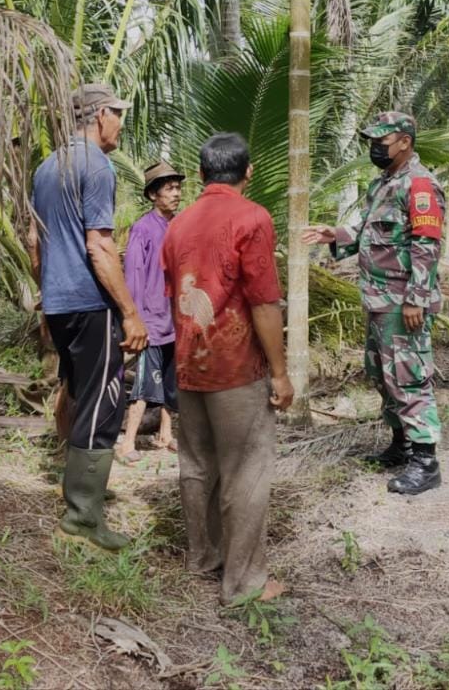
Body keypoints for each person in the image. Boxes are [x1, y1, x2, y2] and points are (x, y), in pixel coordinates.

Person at [161, 133, 293, 604]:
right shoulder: (252, 217)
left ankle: (203, 557)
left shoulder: (178, 224)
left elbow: (171, 291)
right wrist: (279, 372)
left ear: (200, 174)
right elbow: (263, 302)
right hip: (236, 367)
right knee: (247, 470)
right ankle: (243, 583)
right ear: (249, 172)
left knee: (197, 466)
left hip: (188, 363)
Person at [29, 83, 148, 550]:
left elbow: (35, 242)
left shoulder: (46, 167)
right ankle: (82, 517)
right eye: (118, 114)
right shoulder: (96, 165)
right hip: (89, 303)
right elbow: (99, 245)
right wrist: (131, 312)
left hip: (59, 302)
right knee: (104, 403)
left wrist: (46, 295)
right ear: (101, 115)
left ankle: (81, 495)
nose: (121, 123)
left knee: (80, 393)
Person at [302, 111, 444, 496]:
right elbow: (367, 231)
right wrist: (333, 234)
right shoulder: (383, 184)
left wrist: (416, 299)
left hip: (403, 303)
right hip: (379, 299)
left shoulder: (419, 185)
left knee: (409, 376)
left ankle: (426, 461)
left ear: (404, 141)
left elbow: (426, 245)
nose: (374, 147)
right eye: (372, 140)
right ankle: (401, 445)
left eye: (382, 140)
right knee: (382, 374)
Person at [117, 161, 185, 464]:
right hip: (151, 321)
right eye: (169, 189)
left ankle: (165, 436)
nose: (176, 193)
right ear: (152, 195)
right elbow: (133, 275)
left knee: (173, 382)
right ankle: (127, 442)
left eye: (178, 187)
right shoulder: (143, 229)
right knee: (144, 385)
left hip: (176, 319)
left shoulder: (178, 226)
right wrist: (134, 318)